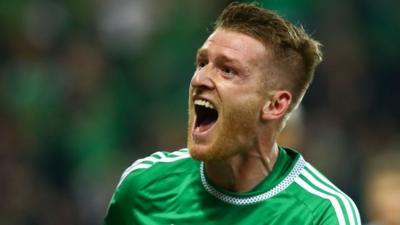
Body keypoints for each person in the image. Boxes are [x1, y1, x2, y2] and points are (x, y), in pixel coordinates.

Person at [104, 2, 361, 224]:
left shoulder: (322, 214)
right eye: (202, 63)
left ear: (275, 105)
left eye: (228, 70)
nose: (200, 79)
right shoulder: (144, 188)